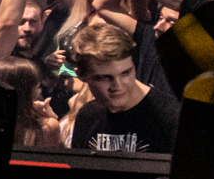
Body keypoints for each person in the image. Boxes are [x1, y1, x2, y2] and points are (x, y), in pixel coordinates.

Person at [66, 21, 181, 154]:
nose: (118, 86)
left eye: (125, 73)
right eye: (105, 77)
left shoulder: (172, 118)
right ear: (81, 75)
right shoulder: (87, 116)